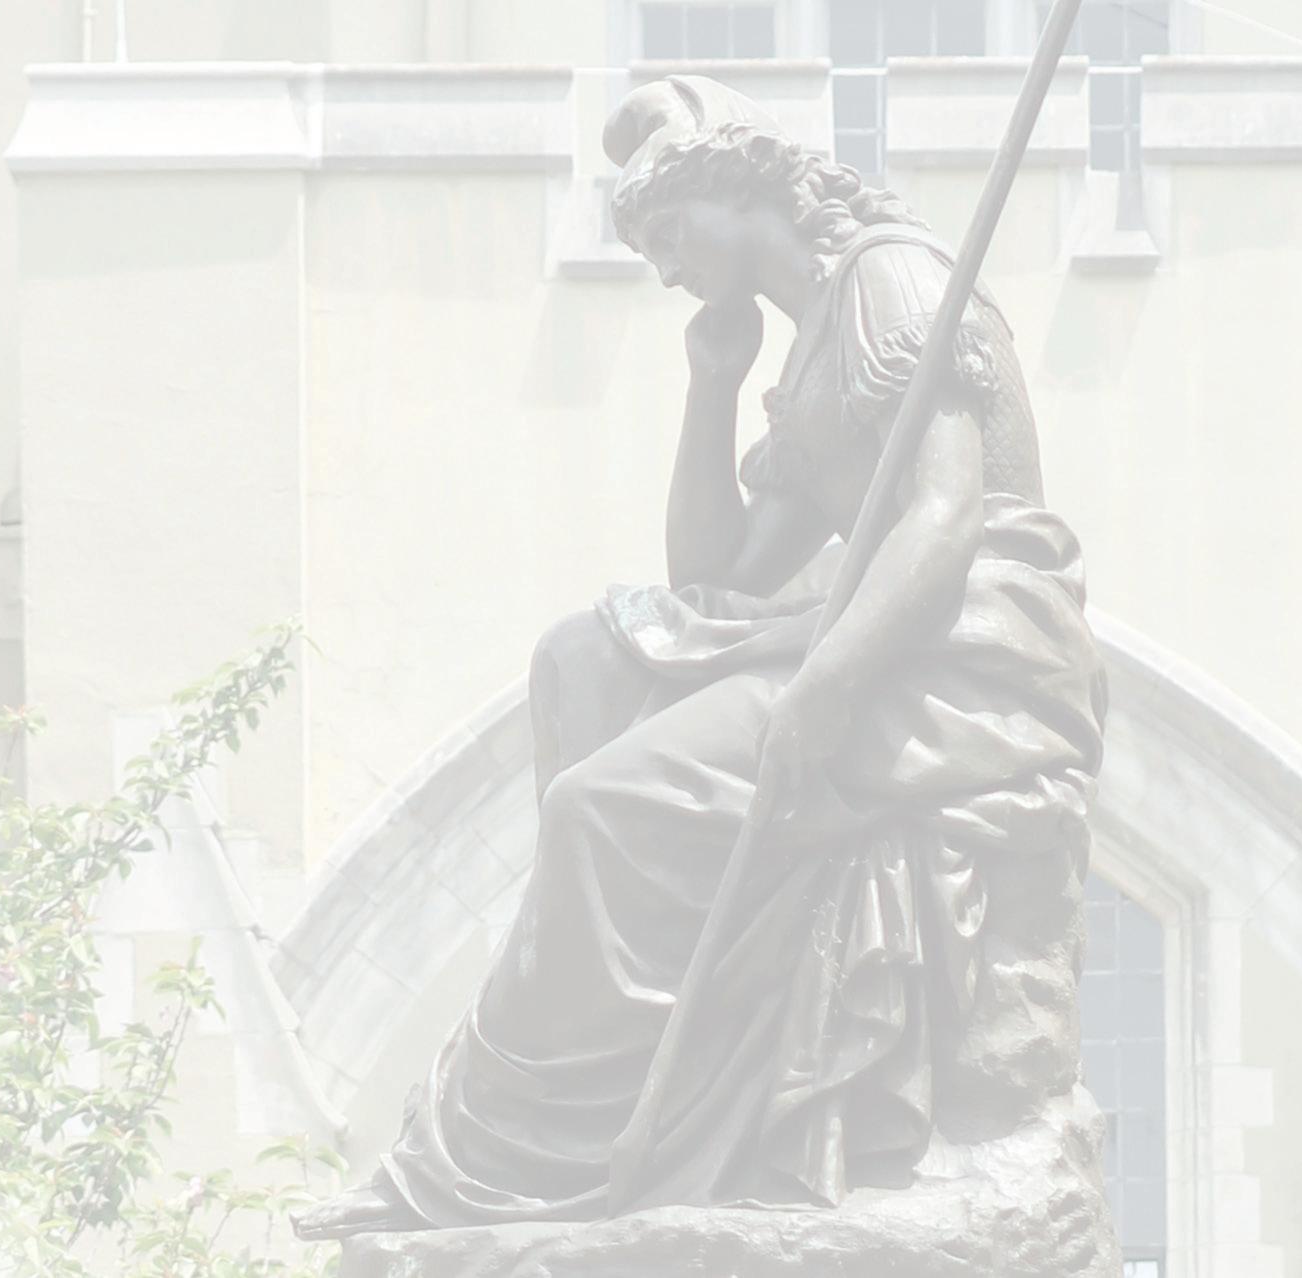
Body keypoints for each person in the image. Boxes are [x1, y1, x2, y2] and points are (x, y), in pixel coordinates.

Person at [293, 75, 1106, 1241]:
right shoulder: (809, 342)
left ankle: (499, 1155)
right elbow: (713, 572)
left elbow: (942, 519)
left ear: (740, 187)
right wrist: (712, 383)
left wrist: (825, 690)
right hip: (872, 632)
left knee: (596, 807)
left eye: (671, 234)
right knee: (580, 662)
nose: (665, 268)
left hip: (965, 654)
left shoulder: (891, 280)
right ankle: (612, 1077)